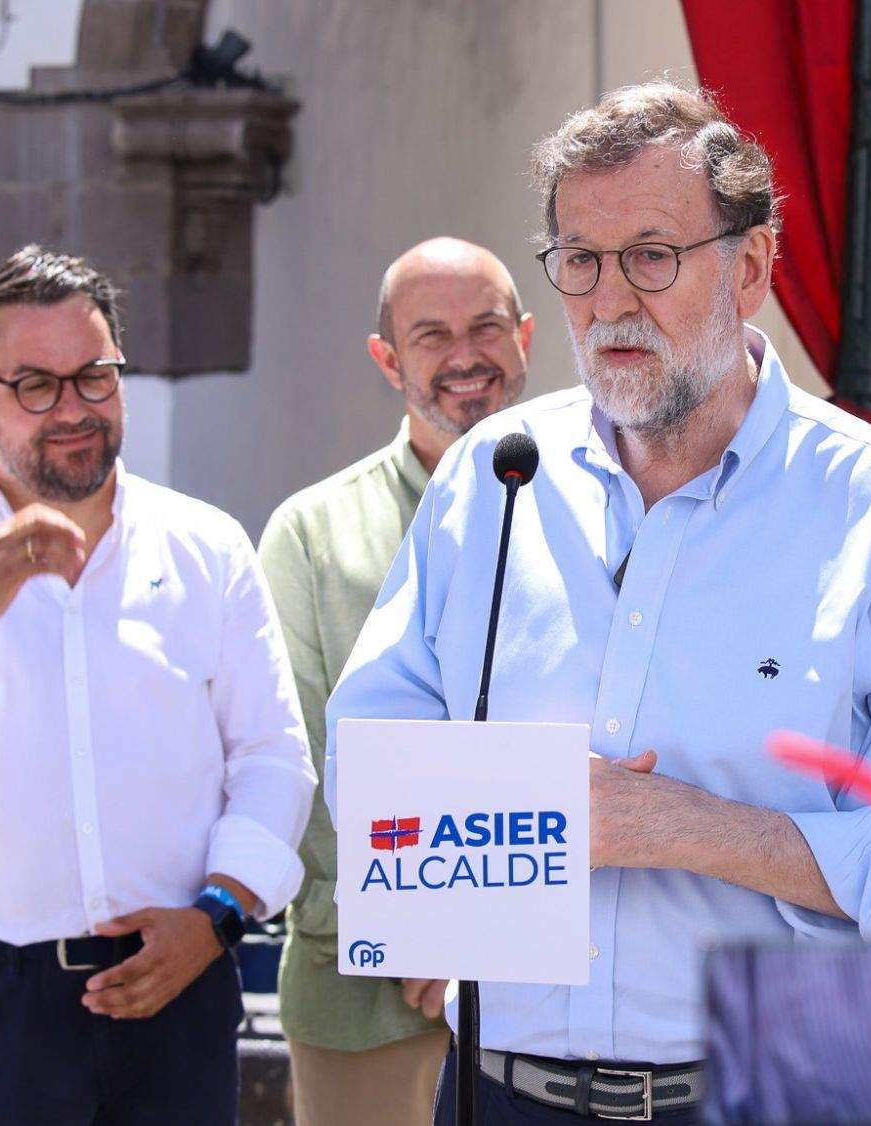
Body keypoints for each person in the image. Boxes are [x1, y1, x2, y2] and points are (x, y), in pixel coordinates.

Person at [324, 82, 871, 1124]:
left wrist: (683, 826)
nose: (608, 301)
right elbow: (371, 747)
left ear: (752, 270)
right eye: (580, 262)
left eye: (651, 254)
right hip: (499, 1091)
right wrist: (428, 908)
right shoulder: (488, 479)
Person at [0, 246, 315, 1123]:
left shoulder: (208, 546)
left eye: (94, 376)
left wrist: (220, 916)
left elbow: (274, 757)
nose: (73, 408)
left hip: (179, 981)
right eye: (36, 385)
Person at [260, 237, 532, 1126]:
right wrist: (424, 929)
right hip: (364, 996)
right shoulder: (311, 532)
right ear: (387, 359)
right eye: (430, 334)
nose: (465, 354)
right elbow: (295, 763)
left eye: (486, 325)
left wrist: (482, 931)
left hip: (549, 993)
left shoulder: (603, 514)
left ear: (525, 337)